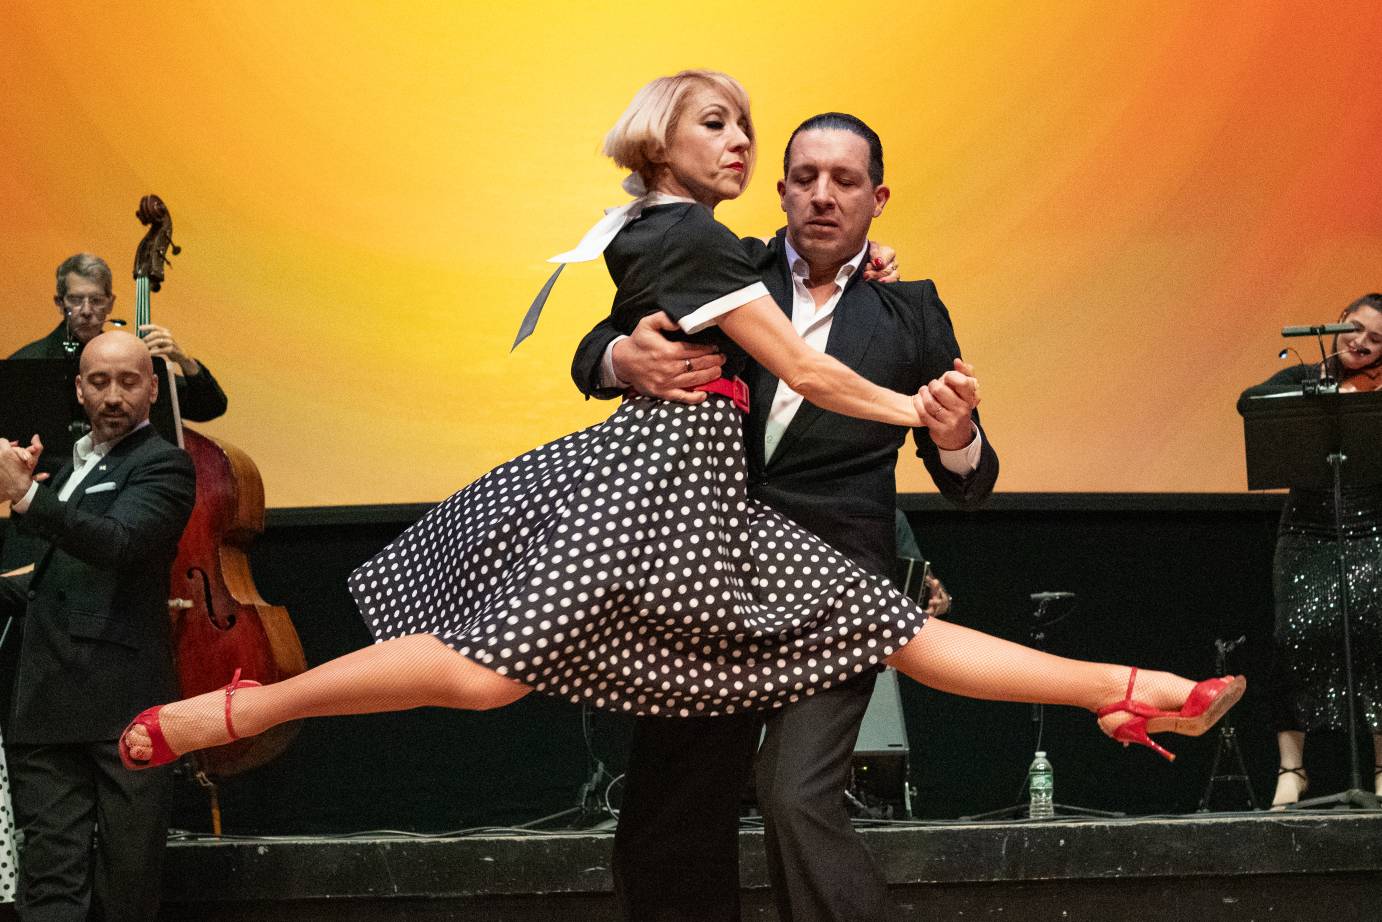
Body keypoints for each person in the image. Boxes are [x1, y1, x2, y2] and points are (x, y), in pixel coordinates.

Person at [118, 73, 1243, 859]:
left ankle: (1132, 690)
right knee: (485, 672)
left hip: (725, 514)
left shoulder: (753, 257)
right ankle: (242, 706)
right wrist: (893, 399)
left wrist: (938, 420)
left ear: (871, 199)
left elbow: (949, 461)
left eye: (759, 133)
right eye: (728, 129)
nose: (756, 155)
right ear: (661, 139)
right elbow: (789, 366)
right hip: (661, 494)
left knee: (888, 631)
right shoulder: (706, 243)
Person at [568, 110, 995, 921]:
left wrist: (956, 430)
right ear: (781, 190)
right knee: (672, 813)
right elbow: (599, 340)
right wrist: (623, 357)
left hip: (832, 593)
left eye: (844, 181)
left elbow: (968, 479)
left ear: (879, 198)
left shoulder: (912, 311)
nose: (823, 196)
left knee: (795, 797)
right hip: (710, 581)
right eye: (805, 179)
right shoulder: (732, 266)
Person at [0, 331, 197, 921]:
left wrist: (30, 502)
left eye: (129, 381)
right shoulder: (65, 468)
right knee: (51, 886)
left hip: (123, 710)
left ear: (153, 390)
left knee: (126, 887)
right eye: (100, 382)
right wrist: (26, 503)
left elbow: (121, 543)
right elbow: (42, 581)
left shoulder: (166, 464)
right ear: (79, 389)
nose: (114, 395)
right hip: (46, 704)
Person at [1240, 293, 1382, 809]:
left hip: (1373, 530)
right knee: (1291, 643)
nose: (1361, 343)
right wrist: (1313, 381)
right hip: (1305, 532)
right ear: (1340, 320)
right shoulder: (1308, 377)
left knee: (1375, 640)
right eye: (1355, 328)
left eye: (1376, 339)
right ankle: (1292, 771)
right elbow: (1248, 401)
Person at [8, 252, 228, 423]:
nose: (86, 310)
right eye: (76, 299)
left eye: (96, 300)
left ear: (110, 303)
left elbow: (209, 407)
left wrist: (183, 359)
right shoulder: (24, 364)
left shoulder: (129, 362)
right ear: (59, 303)